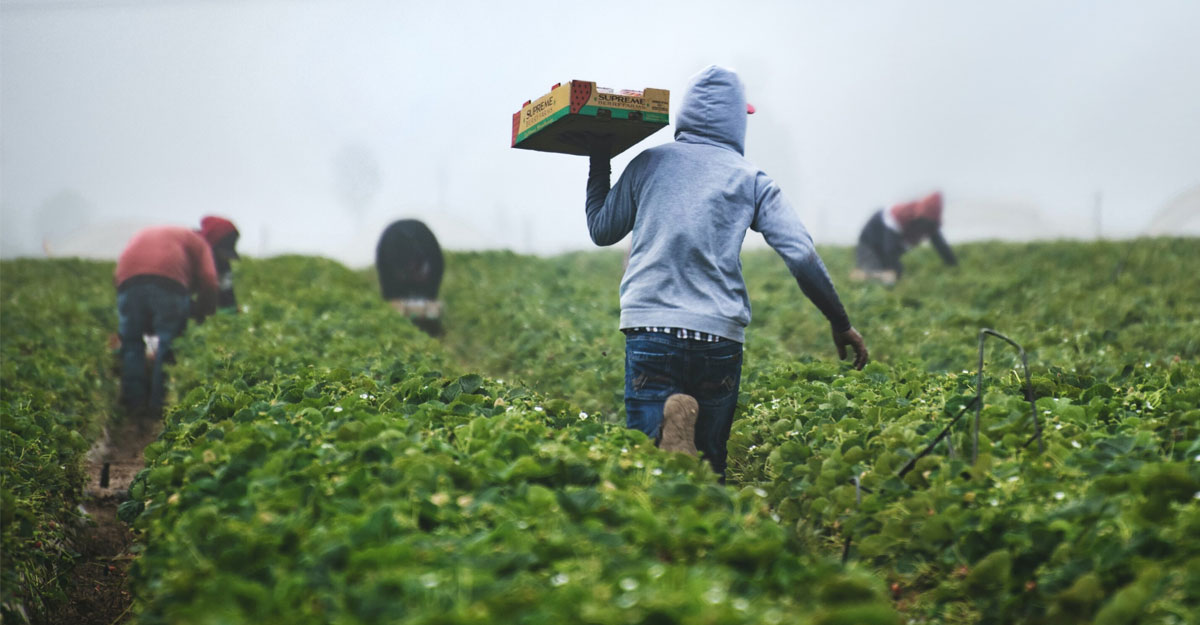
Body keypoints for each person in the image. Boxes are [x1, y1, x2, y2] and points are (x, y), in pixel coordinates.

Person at [582, 65, 868, 479]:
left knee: (647, 467)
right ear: (737, 121)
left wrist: (599, 161)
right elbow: (801, 254)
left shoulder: (649, 163)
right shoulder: (751, 179)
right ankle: (700, 492)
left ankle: (667, 437)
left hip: (652, 327)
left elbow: (601, 230)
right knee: (710, 467)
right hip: (718, 334)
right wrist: (839, 321)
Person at [113, 219, 230, 419]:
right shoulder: (199, 243)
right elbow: (210, 281)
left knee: (132, 343)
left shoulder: (149, 232)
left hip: (127, 281)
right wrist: (204, 312)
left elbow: (121, 273)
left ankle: (133, 405)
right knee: (168, 344)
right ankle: (159, 408)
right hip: (169, 283)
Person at [852, 191, 957, 285]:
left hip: (893, 243)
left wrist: (953, 266)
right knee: (880, 275)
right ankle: (861, 275)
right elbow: (890, 249)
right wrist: (893, 269)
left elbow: (940, 245)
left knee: (892, 273)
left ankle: (874, 273)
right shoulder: (899, 216)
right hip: (870, 240)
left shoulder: (930, 222)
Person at [376, 219, 445, 336]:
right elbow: (390, 297)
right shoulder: (389, 256)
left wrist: (427, 305)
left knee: (428, 311)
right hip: (394, 270)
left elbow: (432, 306)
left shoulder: (432, 257)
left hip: (424, 267)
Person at [198, 215, 241, 312]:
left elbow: (226, 289)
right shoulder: (193, 252)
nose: (224, 257)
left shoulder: (222, 263)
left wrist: (232, 308)